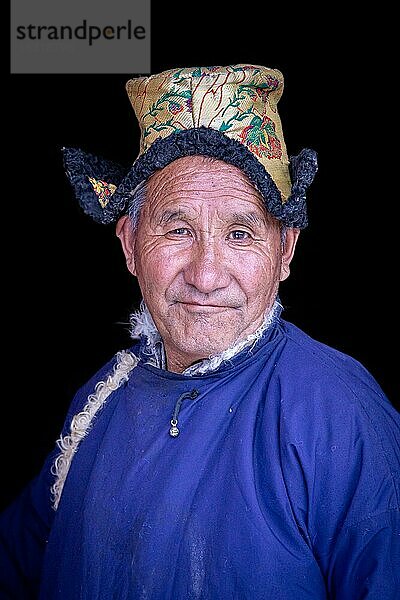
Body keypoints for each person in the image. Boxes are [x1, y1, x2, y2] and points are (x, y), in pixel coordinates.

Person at [1, 64, 399, 599]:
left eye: (240, 233)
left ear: (285, 251)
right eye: (178, 229)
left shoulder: (341, 412)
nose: (206, 276)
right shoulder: (99, 401)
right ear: (130, 245)